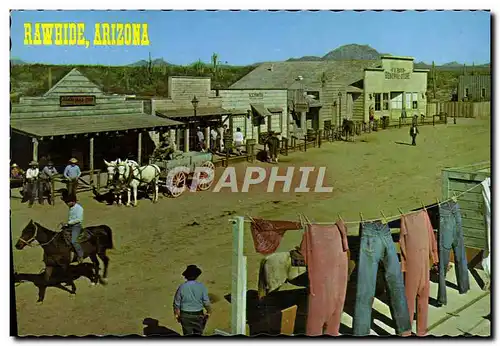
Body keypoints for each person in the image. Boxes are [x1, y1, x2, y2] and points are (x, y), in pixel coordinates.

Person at [173, 265, 212, 336]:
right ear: (197, 276)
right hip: (198, 315)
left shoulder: (182, 287)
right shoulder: (201, 286)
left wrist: (177, 314)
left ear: (186, 276)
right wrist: (209, 312)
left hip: (185, 315)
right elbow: (206, 302)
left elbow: (176, 303)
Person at [64, 195, 84, 264]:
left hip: (77, 226)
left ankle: (80, 255)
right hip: (70, 226)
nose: (67, 204)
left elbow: (79, 219)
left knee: (74, 241)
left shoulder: (79, 208)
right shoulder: (71, 208)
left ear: (73, 201)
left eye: (68, 202)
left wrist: (68, 223)